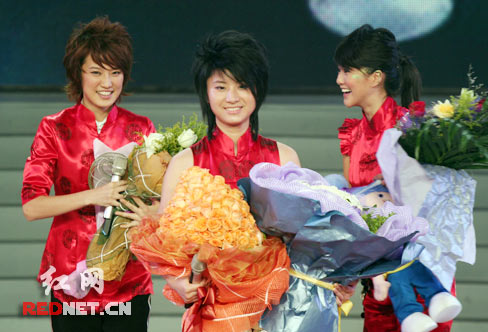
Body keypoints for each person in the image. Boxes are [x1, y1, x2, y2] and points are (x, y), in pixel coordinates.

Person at [157, 30, 355, 327]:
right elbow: (164, 242)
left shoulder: (284, 159)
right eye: (221, 87)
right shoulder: (185, 162)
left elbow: (304, 241)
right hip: (213, 313)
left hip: (278, 310)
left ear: (257, 90)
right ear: (206, 92)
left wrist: (329, 281)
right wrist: (176, 281)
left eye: (242, 86)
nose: (232, 98)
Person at [21, 16, 155, 331]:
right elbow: (31, 206)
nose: (106, 83)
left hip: (128, 278)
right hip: (70, 278)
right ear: (77, 73)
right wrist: (94, 195)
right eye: (96, 72)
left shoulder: (141, 129)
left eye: (115, 73)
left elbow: (159, 203)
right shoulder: (53, 127)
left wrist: (150, 213)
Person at [335, 24, 457, 331]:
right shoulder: (352, 134)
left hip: (424, 287)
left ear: (376, 77)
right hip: (377, 287)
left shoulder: (413, 130)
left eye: (348, 70)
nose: (340, 80)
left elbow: (435, 210)